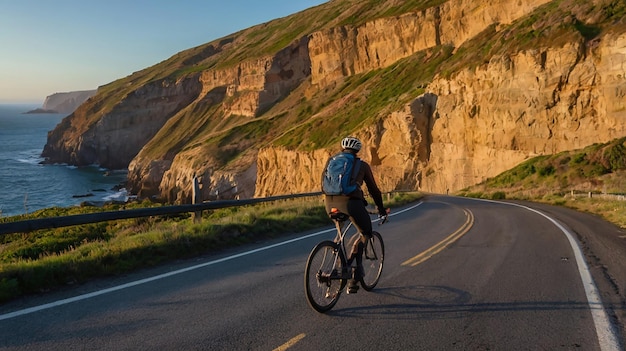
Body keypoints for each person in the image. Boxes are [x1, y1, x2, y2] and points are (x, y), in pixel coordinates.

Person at [323, 136, 388, 294]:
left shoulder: (331, 161)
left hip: (329, 202)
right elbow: (373, 190)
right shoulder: (362, 165)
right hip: (351, 203)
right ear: (357, 150)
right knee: (365, 233)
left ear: (342, 148)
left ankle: (336, 256)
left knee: (340, 233)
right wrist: (380, 209)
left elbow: (324, 182)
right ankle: (353, 275)